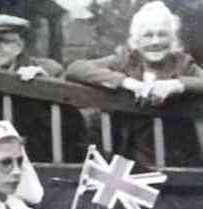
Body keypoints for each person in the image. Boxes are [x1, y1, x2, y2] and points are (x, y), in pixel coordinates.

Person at [66, 1, 203, 168]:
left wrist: (178, 84)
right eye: (148, 35)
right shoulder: (125, 61)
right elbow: (75, 68)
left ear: (172, 39)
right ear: (136, 41)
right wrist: (127, 82)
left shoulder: (182, 64)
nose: (155, 42)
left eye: (162, 34)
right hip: (129, 159)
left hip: (177, 160)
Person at [0, 14, 87, 163]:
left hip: (40, 159)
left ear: (20, 46)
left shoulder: (49, 69)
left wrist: (43, 86)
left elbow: (73, 126)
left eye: (4, 41)